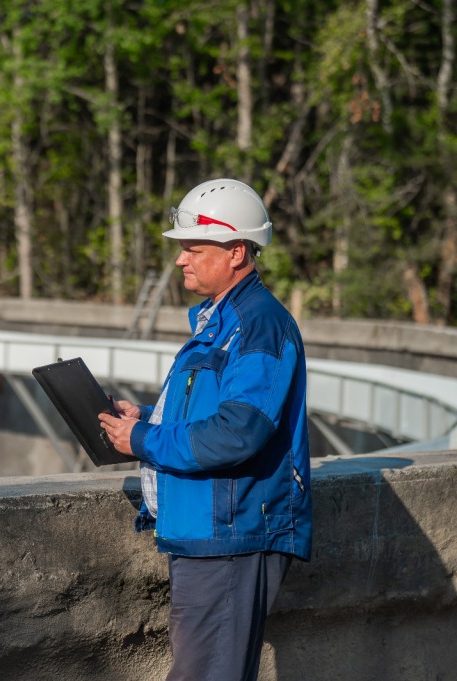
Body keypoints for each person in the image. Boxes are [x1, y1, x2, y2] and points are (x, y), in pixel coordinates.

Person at [98, 178, 312, 681]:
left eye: (193, 248)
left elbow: (238, 433)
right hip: (210, 533)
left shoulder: (259, 325)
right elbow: (214, 413)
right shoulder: (226, 321)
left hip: (232, 535)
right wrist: (148, 417)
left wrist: (144, 440)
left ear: (237, 251)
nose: (180, 260)